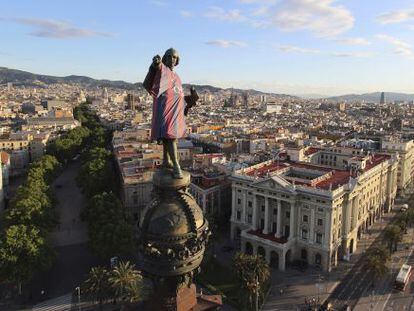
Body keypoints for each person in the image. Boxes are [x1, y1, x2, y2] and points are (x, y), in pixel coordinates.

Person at [143, 48, 198, 179]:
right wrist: (155, 65)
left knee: (169, 137)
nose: (172, 59)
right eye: (170, 56)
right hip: (165, 109)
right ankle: (176, 166)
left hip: (176, 111)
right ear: (165, 58)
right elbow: (156, 70)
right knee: (170, 137)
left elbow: (178, 95)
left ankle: (166, 161)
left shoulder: (177, 77)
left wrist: (192, 98)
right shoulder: (163, 70)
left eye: (175, 57)